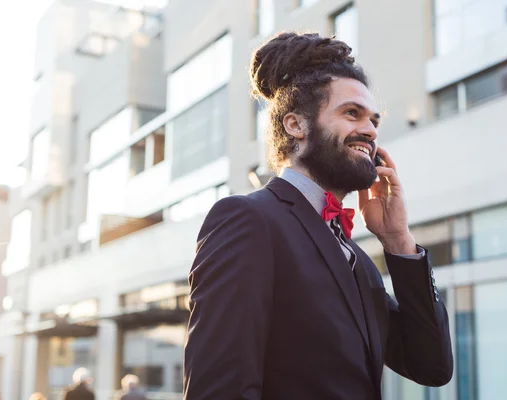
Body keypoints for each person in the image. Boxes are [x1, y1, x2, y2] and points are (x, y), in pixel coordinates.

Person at [183, 32, 454, 400]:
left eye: (374, 119)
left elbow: (431, 366)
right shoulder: (247, 220)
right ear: (296, 125)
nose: (370, 130)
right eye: (351, 113)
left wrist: (398, 241)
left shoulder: (358, 260)